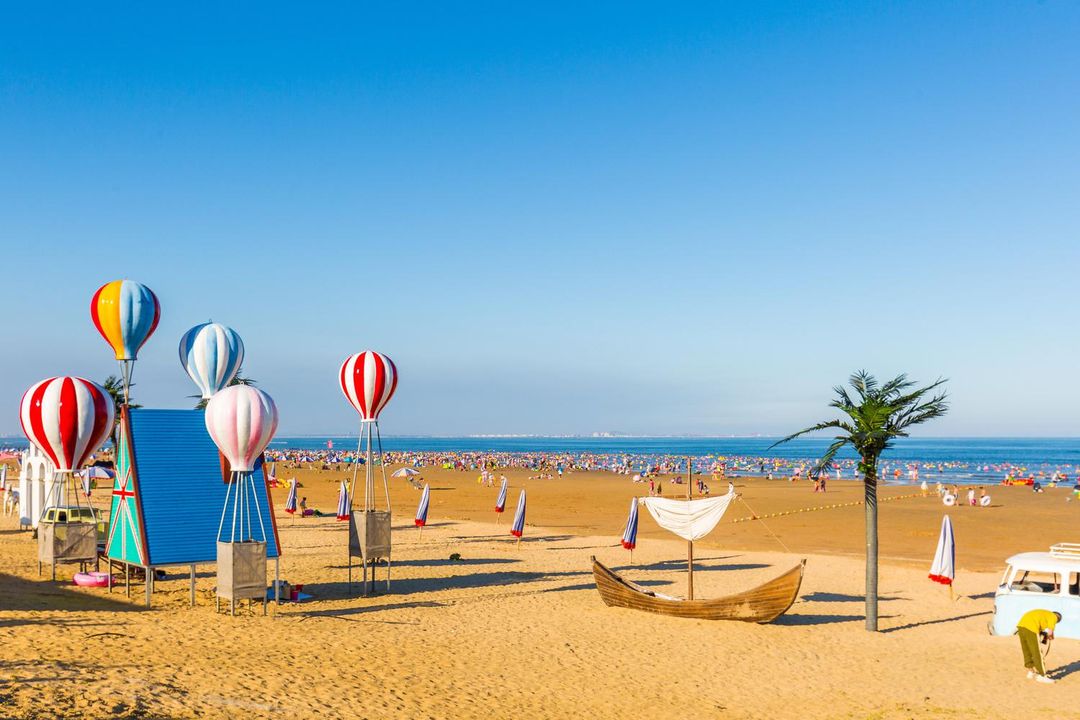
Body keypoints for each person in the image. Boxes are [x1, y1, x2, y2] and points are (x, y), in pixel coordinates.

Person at [1016, 609, 1061, 683]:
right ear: (1057, 618)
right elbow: (1050, 632)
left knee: (1026, 651)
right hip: (1031, 627)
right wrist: (1050, 637)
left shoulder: (1044, 614)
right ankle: (1042, 676)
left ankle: (1031, 672)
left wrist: (1042, 633)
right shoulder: (1053, 616)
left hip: (1021, 625)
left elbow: (1039, 625)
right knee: (1037, 653)